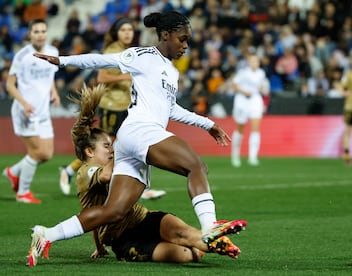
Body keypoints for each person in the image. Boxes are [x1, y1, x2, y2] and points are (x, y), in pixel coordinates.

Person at [29, 10, 247, 265]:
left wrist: (207, 124)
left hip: (133, 139)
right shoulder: (143, 56)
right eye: (182, 39)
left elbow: (170, 108)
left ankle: (46, 235)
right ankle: (210, 226)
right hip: (141, 130)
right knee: (196, 166)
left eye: (188, 40)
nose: (186, 45)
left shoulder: (171, 71)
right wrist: (62, 61)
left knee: (114, 211)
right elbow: (101, 60)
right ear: (165, 35)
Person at [27, 84, 242, 266]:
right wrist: (127, 147)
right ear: (89, 152)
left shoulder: (114, 167)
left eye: (111, 146)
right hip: (123, 237)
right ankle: (47, 234)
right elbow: (101, 190)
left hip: (143, 218)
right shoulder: (86, 172)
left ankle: (213, 239)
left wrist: (99, 247)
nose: (111, 150)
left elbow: (95, 216)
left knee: (190, 237)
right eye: (106, 146)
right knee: (188, 254)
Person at [59, 17, 166, 200]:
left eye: (130, 30)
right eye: (123, 30)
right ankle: (73, 171)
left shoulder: (132, 52)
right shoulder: (112, 50)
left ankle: (71, 171)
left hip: (127, 106)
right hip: (111, 106)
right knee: (112, 147)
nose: (127, 33)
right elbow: (101, 77)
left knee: (124, 145)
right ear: (117, 33)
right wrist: (126, 78)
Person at [2, 19, 60, 204]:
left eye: (43, 30)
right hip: (25, 111)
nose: (40, 34)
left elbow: (50, 75)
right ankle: (22, 193)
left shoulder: (53, 52)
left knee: (47, 154)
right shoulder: (22, 56)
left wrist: (54, 92)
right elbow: (10, 86)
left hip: (43, 111)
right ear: (30, 34)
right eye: (36, 31)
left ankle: (13, 172)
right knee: (36, 152)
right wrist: (24, 103)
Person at [230, 53, 269, 167]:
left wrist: (262, 90)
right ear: (249, 62)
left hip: (255, 100)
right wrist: (244, 91)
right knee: (240, 127)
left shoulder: (261, 73)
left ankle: (253, 157)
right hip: (242, 100)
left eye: (256, 61)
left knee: (255, 128)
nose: (254, 63)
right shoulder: (243, 73)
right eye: (252, 61)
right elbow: (233, 85)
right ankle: (235, 155)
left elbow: (262, 87)